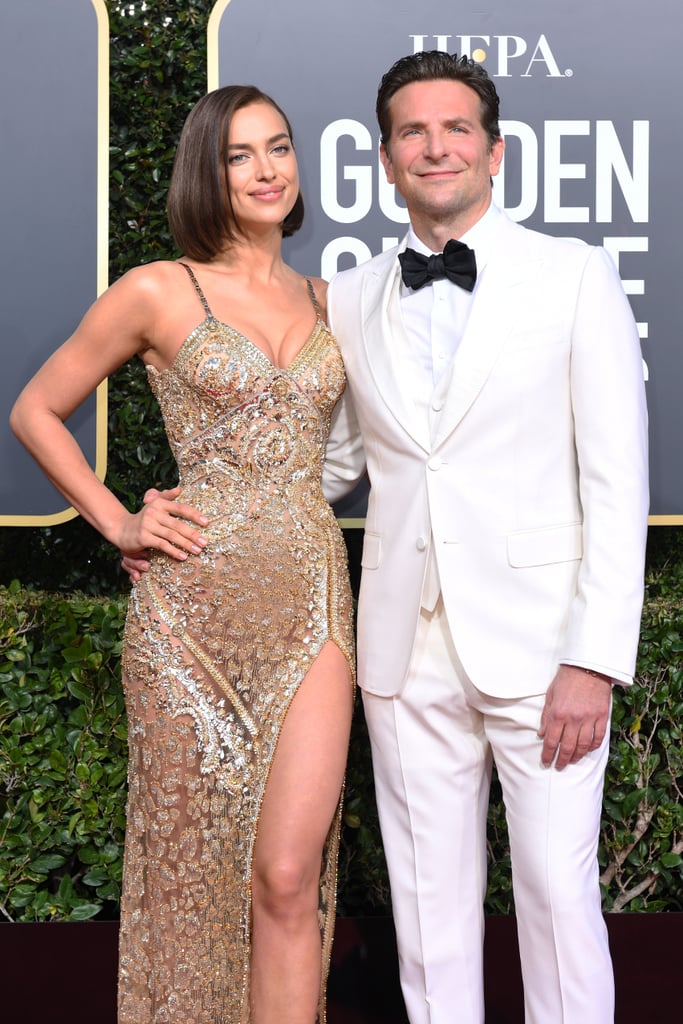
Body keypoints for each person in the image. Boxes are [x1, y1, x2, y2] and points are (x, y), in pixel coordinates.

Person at [11, 84, 362, 1024]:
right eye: (239, 154)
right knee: (190, 869)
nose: (265, 170)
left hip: (314, 599)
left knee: (288, 875)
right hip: (188, 615)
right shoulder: (159, 288)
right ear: (206, 173)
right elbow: (36, 410)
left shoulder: (333, 298)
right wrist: (119, 521)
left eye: (278, 148)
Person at [321, 51, 649, 1024]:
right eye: (412, 132)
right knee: (426, 913)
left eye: (454, 128)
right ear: (384, 159)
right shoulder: (346, 294)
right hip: (400, 653)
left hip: (545, 653)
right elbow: (333, 460)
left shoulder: (574, 275)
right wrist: (202, 502)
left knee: (554, 898)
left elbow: (614, 481)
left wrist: (591, 658)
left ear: (494, 150)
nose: (435, 147)